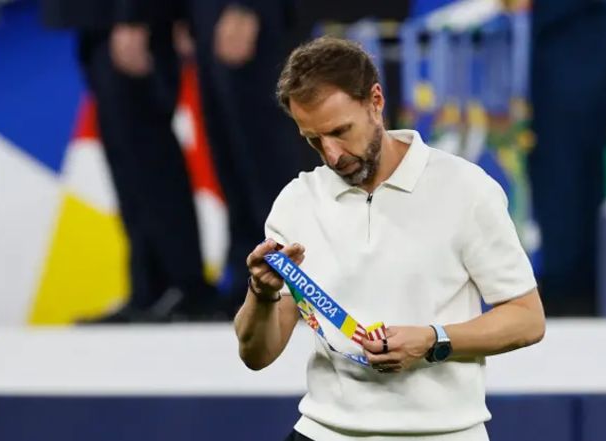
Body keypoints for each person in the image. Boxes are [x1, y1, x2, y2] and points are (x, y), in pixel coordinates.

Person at [234, 37, 546, 441]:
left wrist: (433, 340)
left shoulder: (467, 189)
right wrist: (261, 294)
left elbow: (527, 318)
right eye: (313, 140)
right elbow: (256, 356)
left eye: (340, 131)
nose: (332, 155)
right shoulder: (297, 201)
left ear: (375, 101)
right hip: (322, 431)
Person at [41, 0, 222, 322]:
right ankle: (150, 288)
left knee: (148, 151)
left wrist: (134, 17)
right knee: (128, 158)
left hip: (131, 19)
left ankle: (185, 286)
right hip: (103, 23)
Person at [529, 0, 606, 315]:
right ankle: (579, 282)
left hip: (584, 16)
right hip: (583, 17)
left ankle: (571, 287)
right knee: (573, 151)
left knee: (564, 152)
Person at [185, 0, 302, 314]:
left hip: (247, 14)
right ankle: (249, 280)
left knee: (265, 150)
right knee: (231, 154)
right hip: (208, 14)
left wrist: (249, 6)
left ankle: (296, 280)